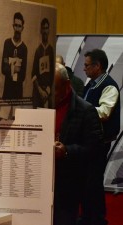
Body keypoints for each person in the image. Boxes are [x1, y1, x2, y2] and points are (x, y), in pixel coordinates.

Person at [53, 63, 104, 225]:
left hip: (69, 185)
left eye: (54, 88)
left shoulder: (85, 110)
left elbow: (94, 149)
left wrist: (66, 151)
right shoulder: (41, 105)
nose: (48, 92)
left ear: (67, 85)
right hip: (42, 181)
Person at [79, 49, 120, 225]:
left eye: (87, 65)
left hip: (99, 142)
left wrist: (81, 109)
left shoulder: (109, 86)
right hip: (89, 141)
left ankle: (97, 219)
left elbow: (104, 113)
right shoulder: (92, 84)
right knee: (86, 182)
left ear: (97, 66)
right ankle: (88, 216)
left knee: (93, 182)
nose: (84, 69)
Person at [0, 12, 27, 120]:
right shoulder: (7, 43)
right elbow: (3, 68)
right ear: (13, 26)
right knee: (2, 121)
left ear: (22, 28)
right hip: (7, 90)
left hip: (18, 92)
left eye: (19, 26)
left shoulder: (24, 48)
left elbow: (23, 74)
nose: (17, 28)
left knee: (16, 125)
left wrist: (13, 72)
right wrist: (14, 70)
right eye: (15, 25)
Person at [31, 18, 54, 108]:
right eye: (43, 28)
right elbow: (33, 74)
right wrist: (40, 90)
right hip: (38, 92)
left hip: (48, 91)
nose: (45, 31)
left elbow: (52, 73)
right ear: (41, 30)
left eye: (46, 28)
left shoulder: (51, 50)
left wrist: (47, 91)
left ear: (49, 30)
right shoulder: (38, 50)